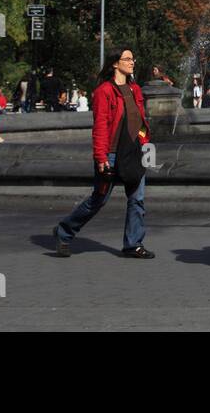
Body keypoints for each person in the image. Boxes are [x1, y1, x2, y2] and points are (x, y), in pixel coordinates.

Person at [52, 48, 153, 259]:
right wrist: (101, 157)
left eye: (133, 59)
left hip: (134, 153)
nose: (132, 62)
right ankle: (63, 232)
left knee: (137, 199)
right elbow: (100, 126)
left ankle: (133, 244)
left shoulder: (135, 89)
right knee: (98, 200)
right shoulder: (104, 91)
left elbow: (141, 120)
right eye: (127, 59)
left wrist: (144, 142)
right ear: (115, 63)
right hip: (112, 154)